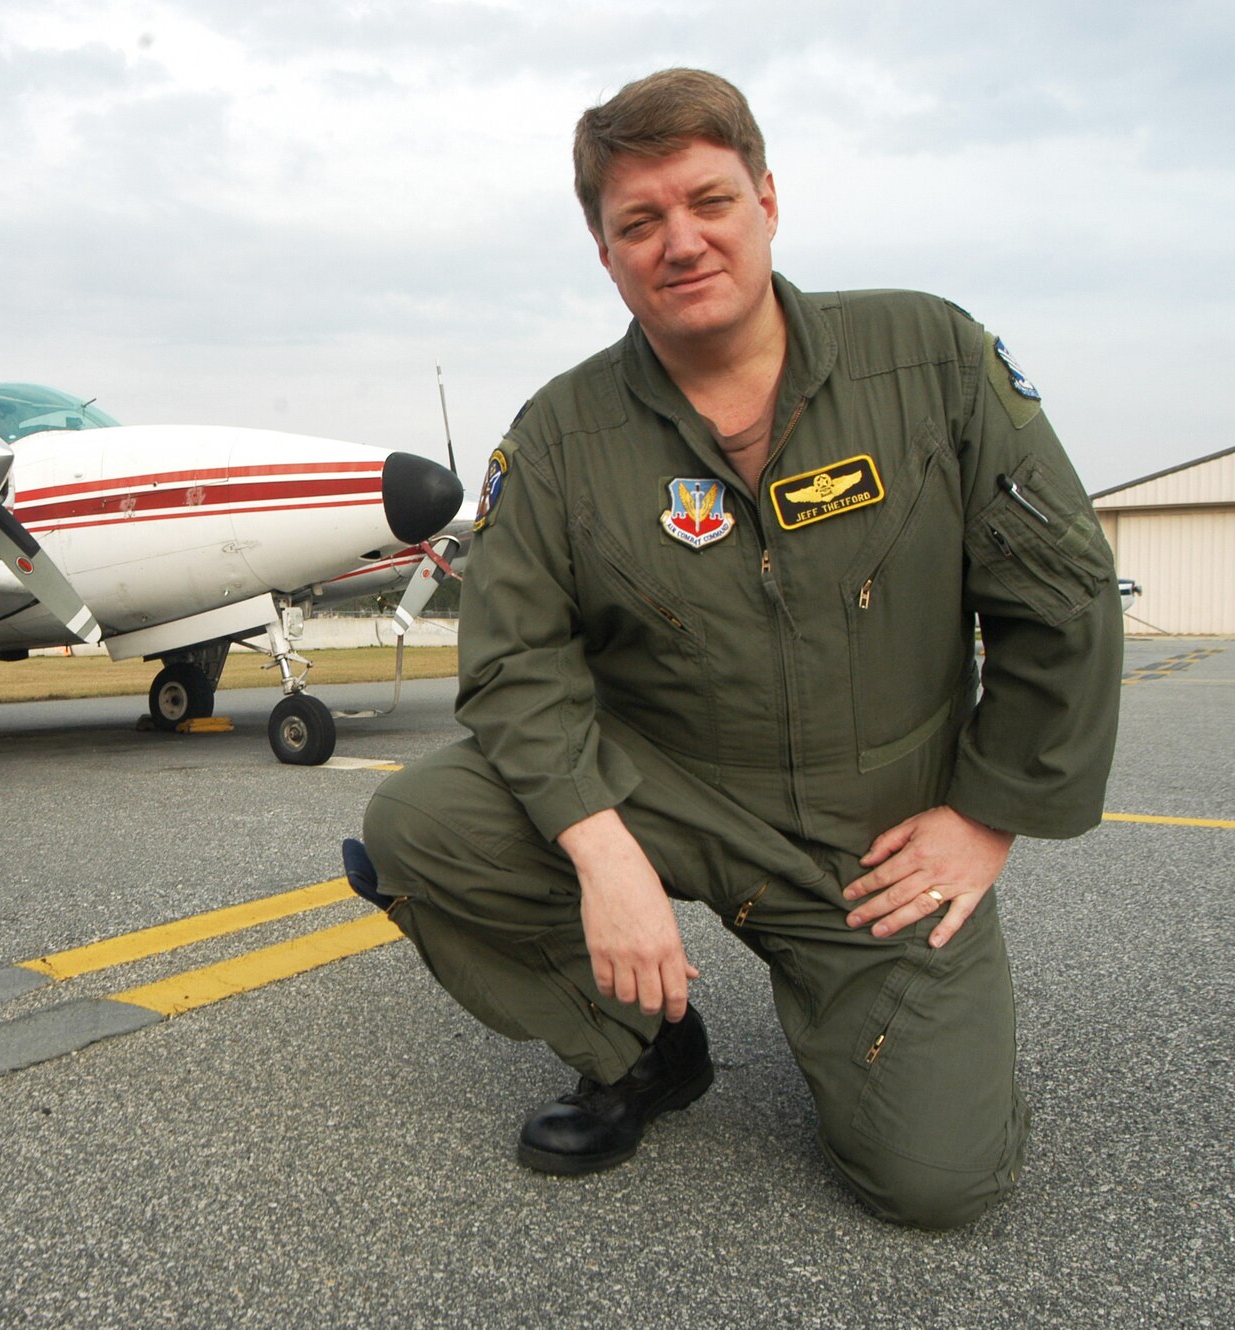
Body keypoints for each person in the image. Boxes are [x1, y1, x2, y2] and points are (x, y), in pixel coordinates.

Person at [348, 68, 1121, 1229]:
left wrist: (982, 817)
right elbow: (512, 663)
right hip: (663, 791)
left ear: (766, 198)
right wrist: (602, 856)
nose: (680, 241)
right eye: (637, 223)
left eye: (707, 201)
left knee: (937, 1183)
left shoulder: (932, 359)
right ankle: (640, 1048)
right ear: (604, 255)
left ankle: (862, 1025)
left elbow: (1059, 597)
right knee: (419, 824)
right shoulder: (558, 437)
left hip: (872, 844)